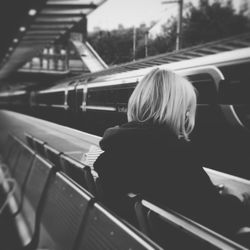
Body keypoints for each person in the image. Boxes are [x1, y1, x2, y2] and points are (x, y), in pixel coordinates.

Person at [93, 68, 249, 238]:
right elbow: (213, 215)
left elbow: (186, 196)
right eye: (187, 108)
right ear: (179, 111)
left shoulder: (114, 150)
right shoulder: (173, 154)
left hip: (136, 237)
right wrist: (238, 200)